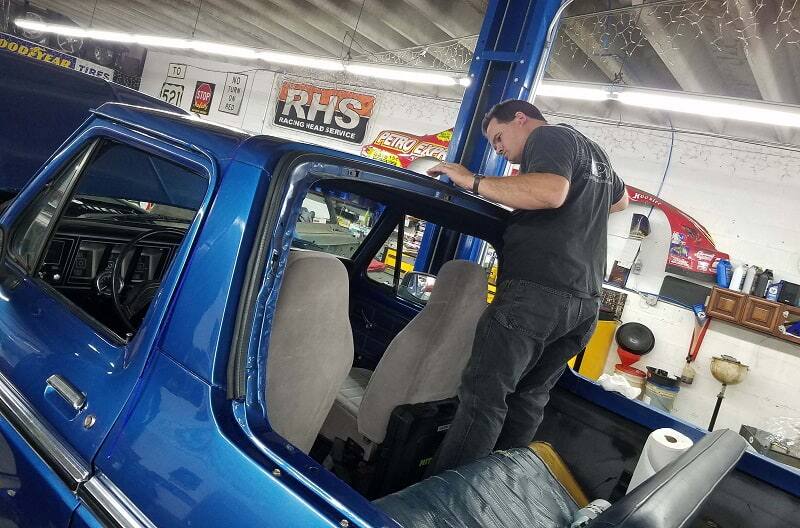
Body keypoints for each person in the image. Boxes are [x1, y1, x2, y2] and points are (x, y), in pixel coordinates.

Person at [426, 99, 629, 474]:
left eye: (498, 137)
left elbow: (551, 193)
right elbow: (620, 201)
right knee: (529, 398)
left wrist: (471, 180)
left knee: (483, 400)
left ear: (521, 118)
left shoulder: (549, 136)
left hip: (535, 294)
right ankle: (490, 488)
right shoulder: (594, 153)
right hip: (583, 303)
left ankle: (440, 504)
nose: (499, 150)